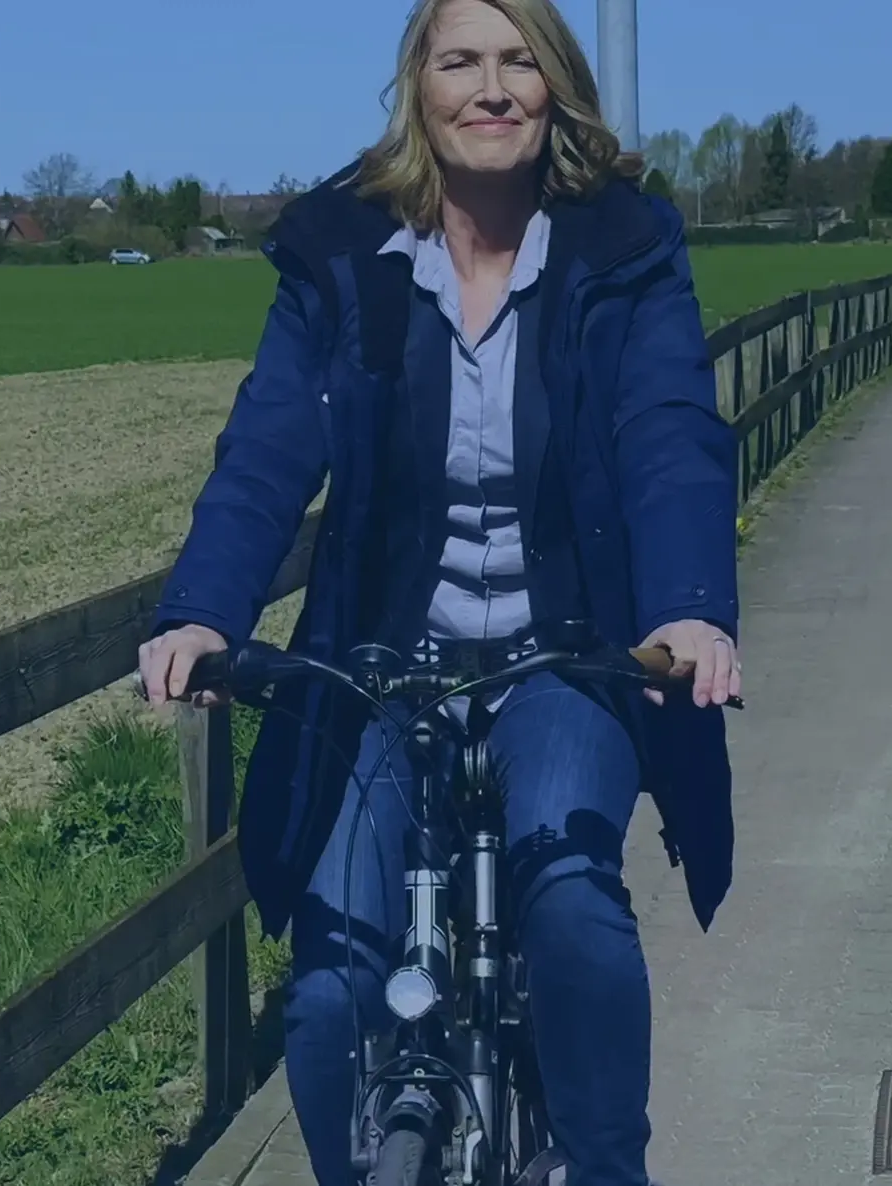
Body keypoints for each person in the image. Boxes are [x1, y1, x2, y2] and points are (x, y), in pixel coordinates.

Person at [134, 1, 740, 1182]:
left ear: (556, 86)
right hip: (380, 666)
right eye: (461, 60)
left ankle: (604, 1167)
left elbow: (668, 432)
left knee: (570, 906)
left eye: (519, 61)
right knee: (329, 991)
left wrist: (686, 605)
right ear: (418, 85)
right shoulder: (341, 255)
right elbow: (268, 446)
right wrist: (203, 608)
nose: (491, 88)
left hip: (562, 660)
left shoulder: (623, 248)